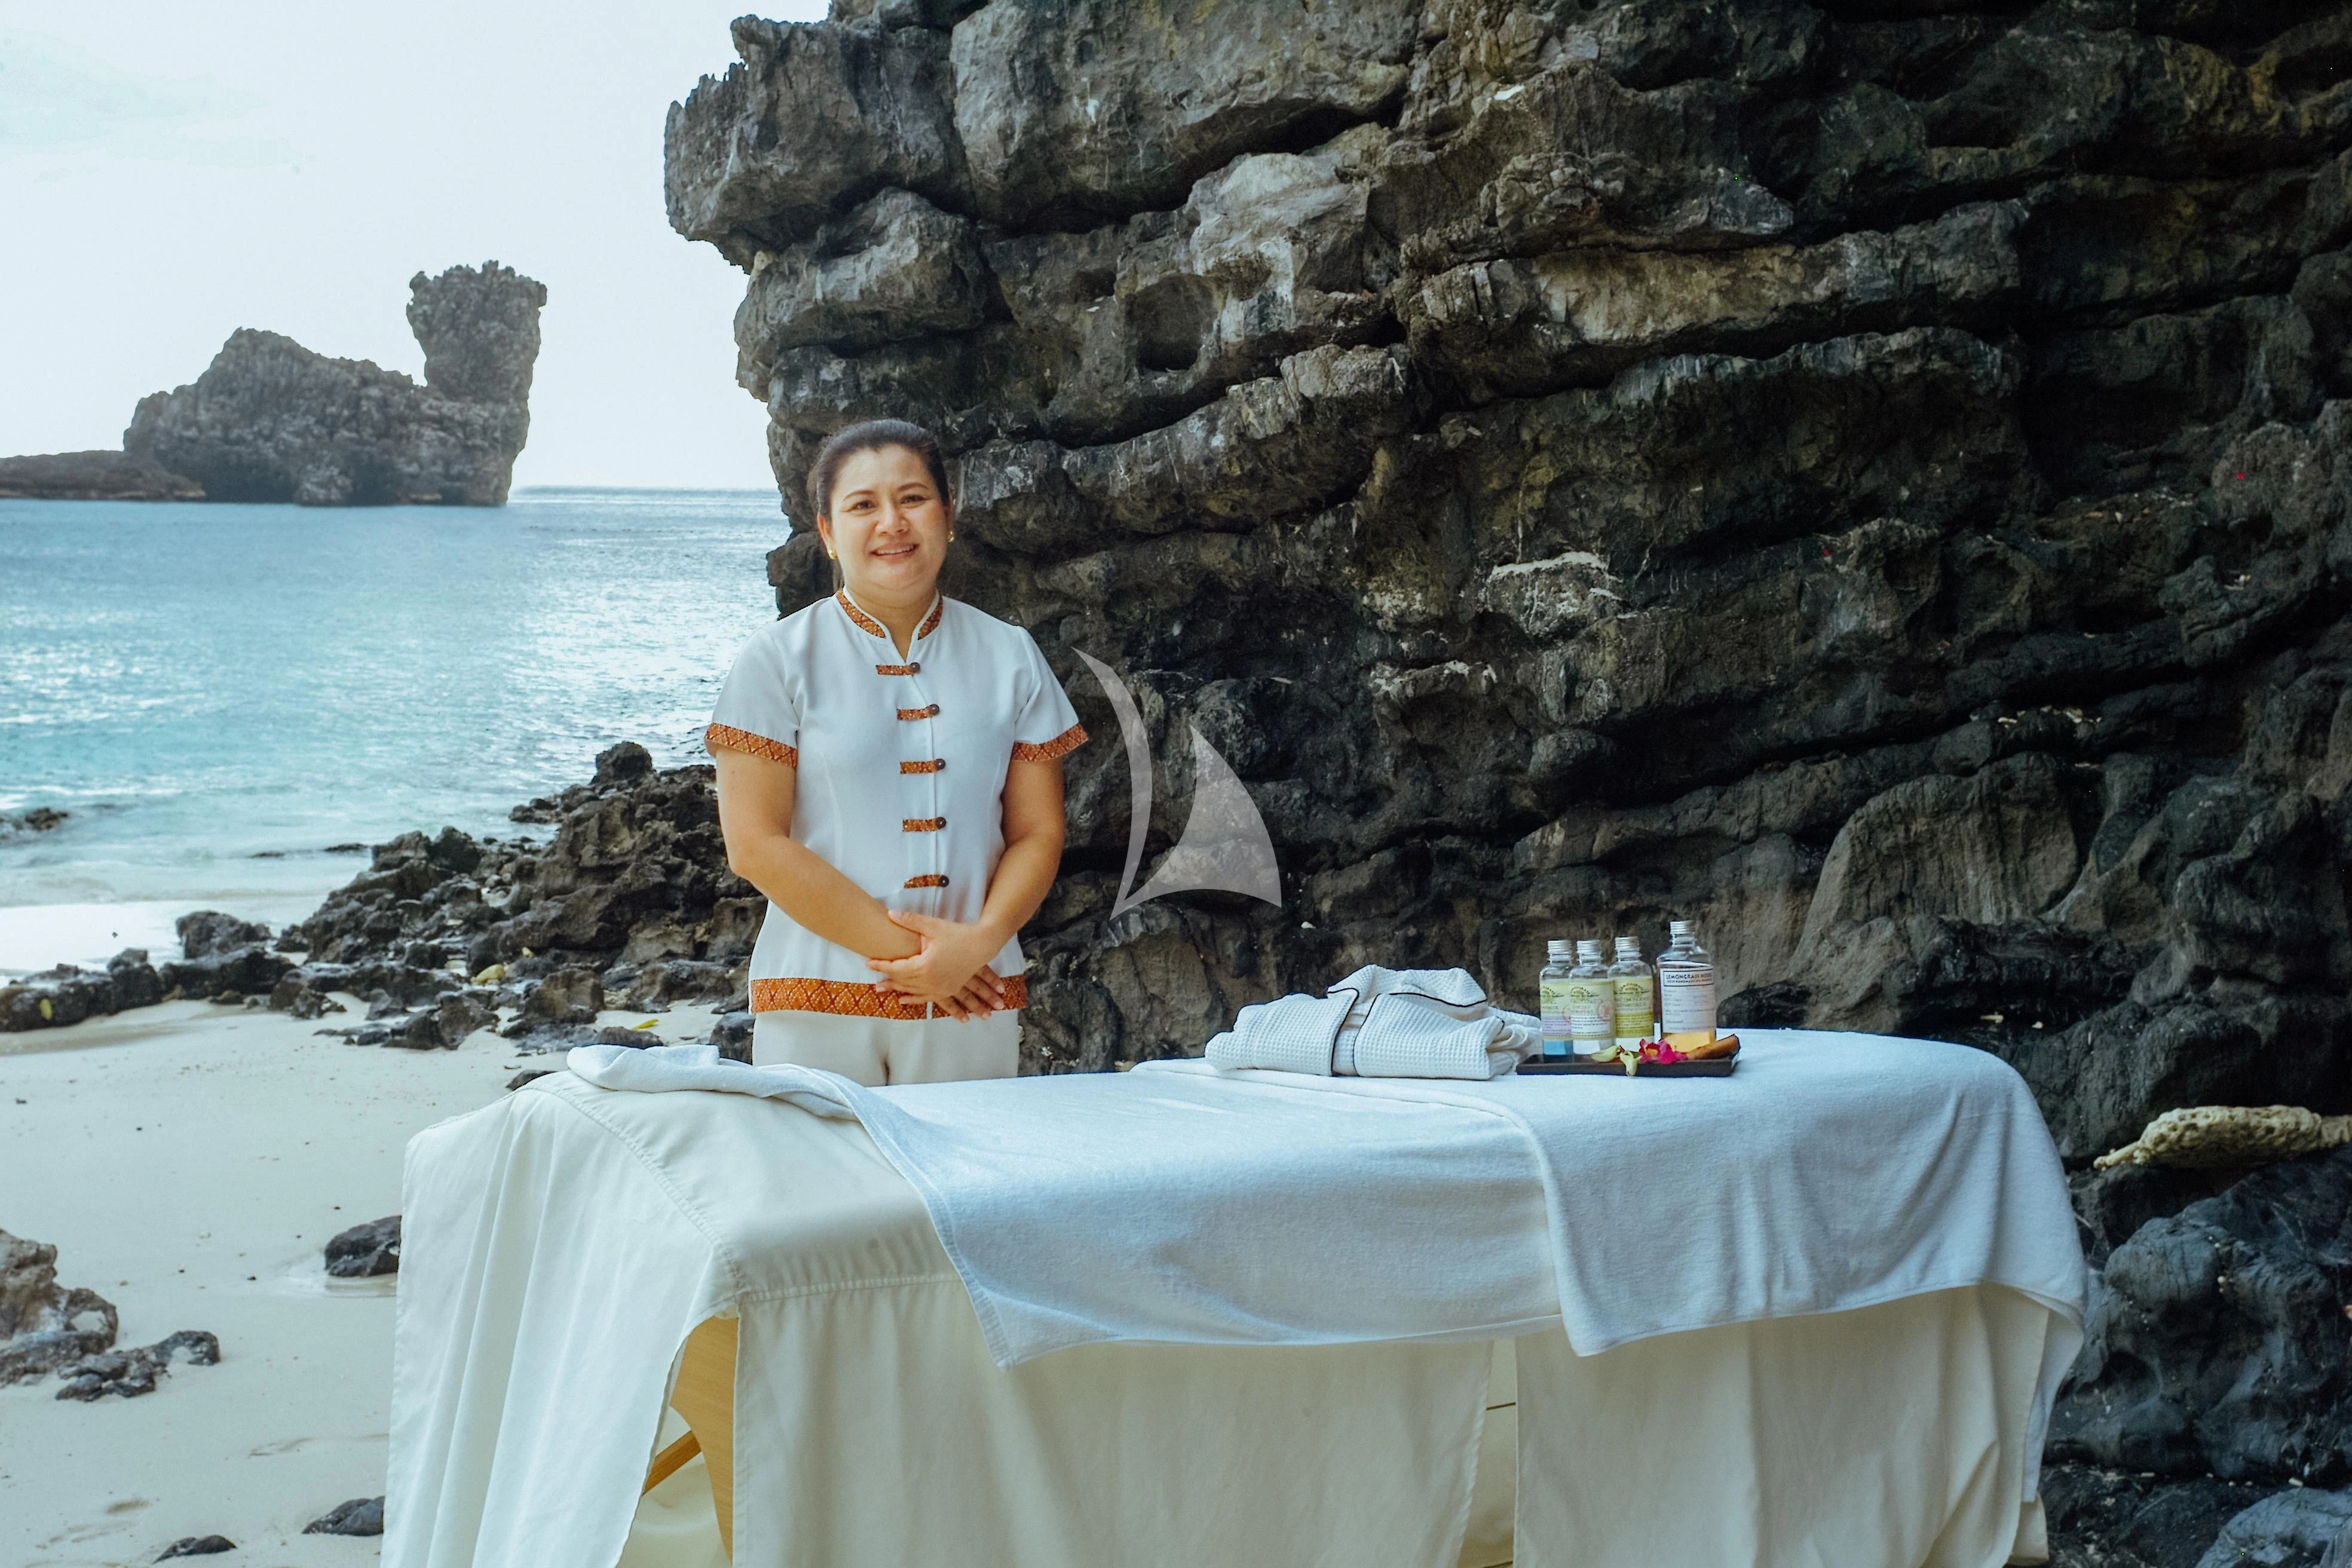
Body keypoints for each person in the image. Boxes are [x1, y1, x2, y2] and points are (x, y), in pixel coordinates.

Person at [705, 419, 1087, 1084]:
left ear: (949, 516)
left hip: (974, 1001)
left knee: (968, 1190)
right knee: (826, 1189)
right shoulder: (775, 661)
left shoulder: (1011, 655)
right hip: (815, 1001)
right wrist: (927, 961)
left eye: (913, 498)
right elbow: (755, 844)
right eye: (862, 505)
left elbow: (1038, 831)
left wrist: (979, 944)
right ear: (826, 532)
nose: (893, 523)